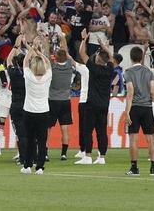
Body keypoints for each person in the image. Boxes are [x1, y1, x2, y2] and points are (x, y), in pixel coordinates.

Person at [123, 45, 154, 176]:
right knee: (150, 139)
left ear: (131, 58)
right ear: (142, 58)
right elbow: (153, 92)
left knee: (133, 139)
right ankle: (153, 167)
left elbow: (130, 92)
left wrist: (127, 112)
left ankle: (134, 167)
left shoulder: (128, 72)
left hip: (135, 107)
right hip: (147, 108)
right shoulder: (148, 72)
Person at [75, 36, 112, 165]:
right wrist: (104, 46)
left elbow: (81, 53)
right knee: (102, 131)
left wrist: (84, 39)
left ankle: (88, 156)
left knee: (87, 130)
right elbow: (111, 57)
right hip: (104, 105)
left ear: (98, 59)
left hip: (91, 104)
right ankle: (102, 157)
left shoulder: (93, 68)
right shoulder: (109, 69)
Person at [21, 43, 53, 174]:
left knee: (29, 140)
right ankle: (40, 167)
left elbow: (24, 62)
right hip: (43, 112)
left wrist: (31, 49)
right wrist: (39, 53)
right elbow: (49, 63)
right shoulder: (47, 77)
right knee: (42, 140)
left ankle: (28, 165)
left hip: (29, 111)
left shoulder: (29, 76)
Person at [48, 46, 76, 161]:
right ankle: (63, 154)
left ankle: (45, 153)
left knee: (47, 129)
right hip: (65, 101)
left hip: (52, 100)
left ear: (56, 58)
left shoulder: (53, 67)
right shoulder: (70, 66)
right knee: (64, 129)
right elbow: (71, 58)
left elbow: (47, 57)